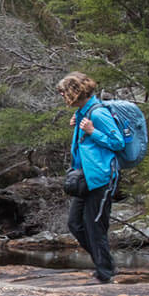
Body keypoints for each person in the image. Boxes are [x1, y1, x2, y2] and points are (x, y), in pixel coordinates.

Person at [60, 71, 127, 284]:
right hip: (85, 179)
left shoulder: (97, 114)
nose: (62, 96)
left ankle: (104, 273)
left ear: (75, 92)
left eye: (63, 92)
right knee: (75, 224)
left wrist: (91, 131)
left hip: (101, 179)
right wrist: (80, 124)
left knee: (95, 226)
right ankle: (105, 263)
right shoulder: (83, 112)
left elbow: (118, 143)